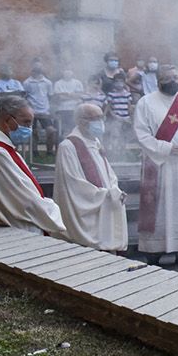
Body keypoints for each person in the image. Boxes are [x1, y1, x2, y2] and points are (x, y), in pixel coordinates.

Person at [133, 66, 178, 266]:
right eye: (169, 78)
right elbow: (141, 133)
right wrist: (166, 148)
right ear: (159, 80)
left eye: (176, 77)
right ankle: (153, 251)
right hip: (159, 164)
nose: (174, 81)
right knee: (159, 207)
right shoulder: (146, 102)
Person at [0, 95, 65, 236]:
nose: (29, 128)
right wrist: (53, 210)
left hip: (1, 224)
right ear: (7, 119)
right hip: (18, 228)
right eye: (26, 122)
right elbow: (24, 199)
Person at [53, 102, 128, 251]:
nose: (100, 122)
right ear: (81, 121)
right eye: (95, 119)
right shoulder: (68, 146)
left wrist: (114, 189)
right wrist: (106, 195)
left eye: (101, 118)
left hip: (103, 203)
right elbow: (72, 184)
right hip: (87, 207)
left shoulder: (95, 142)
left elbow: (108, 173)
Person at [23, 60, 56, 156]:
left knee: (51, 131)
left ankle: (49, 152)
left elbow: (50, 97)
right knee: (33, 132)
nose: (38, 68)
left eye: (39, 66)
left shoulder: (48, 82)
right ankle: (34, 152)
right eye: (36, 66)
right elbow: (24, 97)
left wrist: (50, 109)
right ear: (32, 67)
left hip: (45, 111)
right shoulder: (27, 82)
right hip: (32, 112)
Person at [51, 66, 84, 131]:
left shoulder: (78, 83)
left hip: (74, 109)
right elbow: (60, 97)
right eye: (66, 71)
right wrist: (72, 95)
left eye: (69, 70)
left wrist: (65, 94)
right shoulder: (58, 83)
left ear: (72, 72)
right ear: (62, 72)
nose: (68, 73)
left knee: (74, 128)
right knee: (62, 129)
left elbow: (80, 95)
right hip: (62, 109)